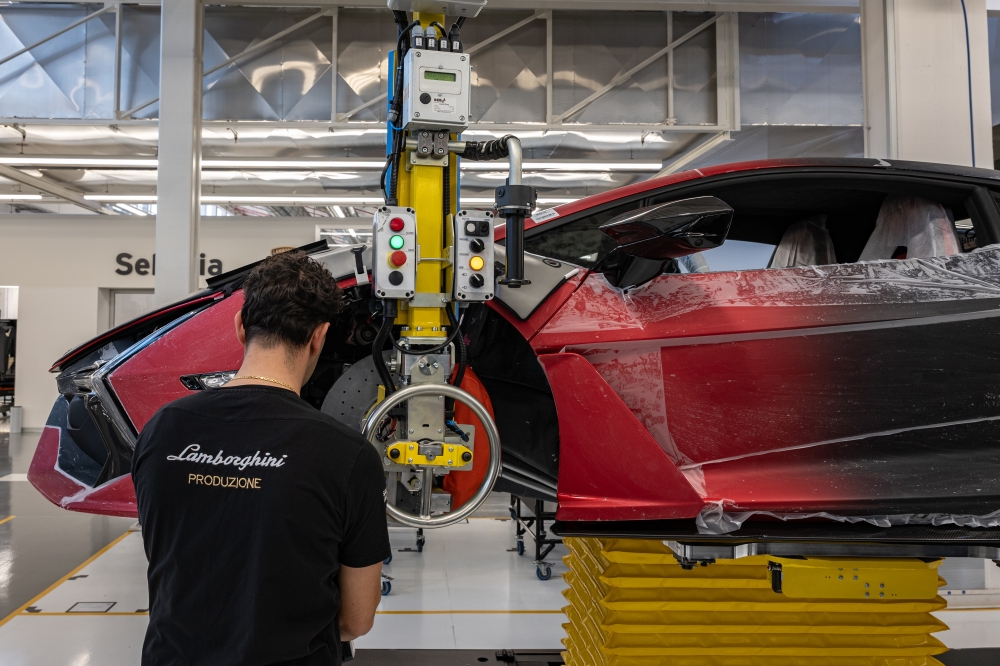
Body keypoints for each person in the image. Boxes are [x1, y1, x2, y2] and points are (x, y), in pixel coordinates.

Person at [132, 251, 390, 666]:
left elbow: (169, 555)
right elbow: (357, 619)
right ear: (318, 337)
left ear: (240, 327)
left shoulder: (163, 428)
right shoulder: (348, 455)